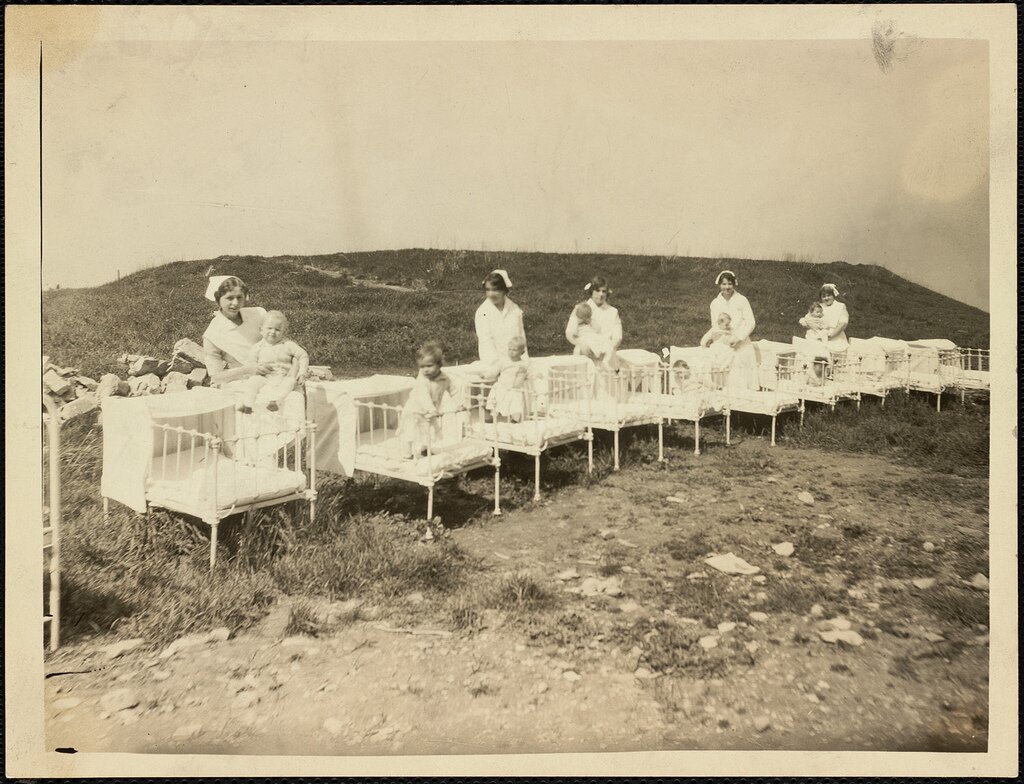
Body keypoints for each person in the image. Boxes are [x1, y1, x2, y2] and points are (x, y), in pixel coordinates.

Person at [202, 275, 275, 387]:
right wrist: (248, 370)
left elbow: (278, 341)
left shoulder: (258, 314)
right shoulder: (212, 335)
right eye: (229, 298)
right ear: (218, 299)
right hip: (242, 382)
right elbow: (216, 377)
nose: (235, 303)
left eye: (239, 297)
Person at [398, 342, 463, 459]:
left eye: (429, 366)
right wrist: (432, 409)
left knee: (427, 431)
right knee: (410, 431)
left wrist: (459, 404)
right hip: (415, 409)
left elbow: (453, 390)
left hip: (429, 411)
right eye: (422, 367)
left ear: (439, 365)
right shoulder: (422, 380)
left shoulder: (444, 378)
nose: (425, 370)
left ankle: (425, 449)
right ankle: (406, 453)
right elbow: (424, 397)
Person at [239, 311, 309, 414]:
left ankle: (274, 401)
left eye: (277, 329)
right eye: (269, 328)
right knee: (253, 381)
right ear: (261, 330)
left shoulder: (288, 345)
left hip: (283, 376)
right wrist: (256, 369)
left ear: (283, 332)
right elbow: (251, 363)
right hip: (264, 377)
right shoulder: (257, 347)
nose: (273, 332)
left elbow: (303, 355)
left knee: (291, 382)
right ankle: (247, 404)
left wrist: (302, 372)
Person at [706, 271, 759, 390]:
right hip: (723, 341)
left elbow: (751, 322)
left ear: (734, 284)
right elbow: (715, 324)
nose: (727, 287)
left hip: (741, 341)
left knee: (740, 371)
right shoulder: (715, 303)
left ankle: (742, 396)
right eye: (724, 284)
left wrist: (739, 338)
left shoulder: (742, 300)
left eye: (729, 284)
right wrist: (718, 340)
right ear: (719, 285)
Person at [474, 270, 528, 379]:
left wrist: (524, 363)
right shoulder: (483, 312)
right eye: (488, 290)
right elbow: (486, 342)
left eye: (495, 290)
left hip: (516, 361)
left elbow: (521, 338)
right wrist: (499, 366)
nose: (491, 294)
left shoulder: (514, 309)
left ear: (504, 290)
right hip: (493, 365)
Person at [565, 276, 623, 368]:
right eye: (597, 290)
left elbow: (618, 337)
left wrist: (606, 349)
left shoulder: (613, 311)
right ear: (591, 291)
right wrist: (581, 344)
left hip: (605, 355)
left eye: (604, 291)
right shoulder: (581, 308)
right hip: (584, 352)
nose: (601, 294)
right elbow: (570, 333)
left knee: (610, 375)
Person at [486, 336, 530, 422]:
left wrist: (535, 375)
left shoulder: (524, 364)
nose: (511, 352)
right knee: (496, 401)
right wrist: (487, 375)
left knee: (516, 404)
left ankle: (515, 419)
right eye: (509, 349)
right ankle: (493, 416)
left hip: (515, 389)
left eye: (514, 350)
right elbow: (494, 371)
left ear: (522, 352)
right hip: (502, 386)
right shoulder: (504, 362)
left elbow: (529, 373)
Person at [799, 284, 850, 352]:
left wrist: (829, 336)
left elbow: (842, 324)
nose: (826, 298)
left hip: (835, 336)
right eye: (823, 296)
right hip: (818, 335)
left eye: (829, 295)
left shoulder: (840, 306)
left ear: (833, 295)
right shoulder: (819, 306)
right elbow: (808, 318)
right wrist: (809, 324)